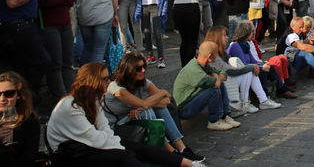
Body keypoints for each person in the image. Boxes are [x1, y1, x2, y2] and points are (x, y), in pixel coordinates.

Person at [48, 63, 203, 167]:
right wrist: (120, 147)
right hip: (70, 152)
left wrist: (118, 144)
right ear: (92, 81)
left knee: (139, 148)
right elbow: (94, 138)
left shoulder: (94, 100)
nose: (108, 81)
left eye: (108, 77)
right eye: (104, 79)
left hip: (90, 143)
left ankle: (188, 163)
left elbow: (103, 129)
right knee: (126, 156)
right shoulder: (71, 106)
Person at [102, 53, 205, 162]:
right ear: (129, 70)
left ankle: (181, 148)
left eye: (143, 67)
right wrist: (163, 92)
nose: (143, 71)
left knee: (156, 107)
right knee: (147, 110)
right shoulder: (116, 87)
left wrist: (140, 107)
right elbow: (145, 104)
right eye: (138, 68)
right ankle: (171, 152)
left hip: (131, 119)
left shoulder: (142, 81)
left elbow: (166, 102)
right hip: (114, 126)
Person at [29, 0, 75, 98]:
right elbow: (46, 1)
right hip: (49, 26)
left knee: (67, 62)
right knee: (56, 63)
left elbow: (70, 1)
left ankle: (71, 95)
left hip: (65, 24)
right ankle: (60, 98)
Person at [173, 42, 240, 131]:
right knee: (213, 90)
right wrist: (217, 77)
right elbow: (213, 82)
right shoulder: (194, 69)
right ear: (209, 56)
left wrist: (216, 77)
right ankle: (214, 120)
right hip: (184, 109)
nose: (217, 56)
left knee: (219, 85)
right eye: (216, 53)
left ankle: (225, 116)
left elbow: (222, 73)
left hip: (192, 100)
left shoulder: (202, 63)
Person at [225, 21, 282, 111]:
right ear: (245, 33)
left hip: (242, 72)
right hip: (235, 74)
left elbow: (253, 61)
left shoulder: (245, 45)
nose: (254, 34)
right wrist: (260, 67)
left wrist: (263, 64)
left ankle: (264, 100)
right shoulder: (235, 46)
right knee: (251, 72)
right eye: (251, 32)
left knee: (263, 68)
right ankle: (248, 102)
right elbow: (243, 66)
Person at [131, 0, 168, 68]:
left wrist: (164, 9)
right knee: (146, 32)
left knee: (157, 32)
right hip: (144, 5)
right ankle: (150, 55)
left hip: (156, 5)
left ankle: (161, 58)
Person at [0, 72, 44, 167]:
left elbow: (29, 158)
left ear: (19, 95)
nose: (2, 98)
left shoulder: (29, 120)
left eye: (9, 94)